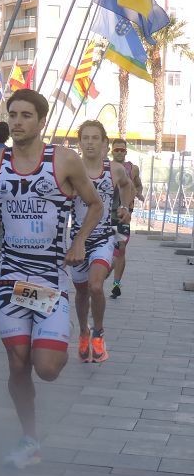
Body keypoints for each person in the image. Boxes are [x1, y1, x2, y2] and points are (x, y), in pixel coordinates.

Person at [0, 89, 103, 469]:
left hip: (50, 279)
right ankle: (29, 439)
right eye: (13, 114)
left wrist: (80, 240)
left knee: (47, 369)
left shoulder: (63, 161)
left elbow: (96, 204)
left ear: (41, 122)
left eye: (25, 116)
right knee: (17, 365)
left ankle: (59, 334)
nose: (17, 122)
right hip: (11, 279)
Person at [70, 122, 133, 363]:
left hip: (103, 239)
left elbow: (127, 185)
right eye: (85, 138)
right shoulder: (70, 171)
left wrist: (125, 207)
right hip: (78, 240)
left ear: (104, 143)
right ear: (79, 143)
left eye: (95, 138)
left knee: (96, 286)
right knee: (81, 292)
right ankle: (83, 332)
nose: (89, 142)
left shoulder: (115, 170)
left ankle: (98, 332)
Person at [109, 137, 144, 298]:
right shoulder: (105, 167)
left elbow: (138, 184)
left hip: (122, 215)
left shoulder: (132, 168)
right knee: (110, 250)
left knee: (121, 248)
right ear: (112, 151)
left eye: (122, 150)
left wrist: (138, 193)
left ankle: (116, 284)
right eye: (116, 149)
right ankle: (100, 273)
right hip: (105, 213)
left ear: (126, 151)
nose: (119, 152)